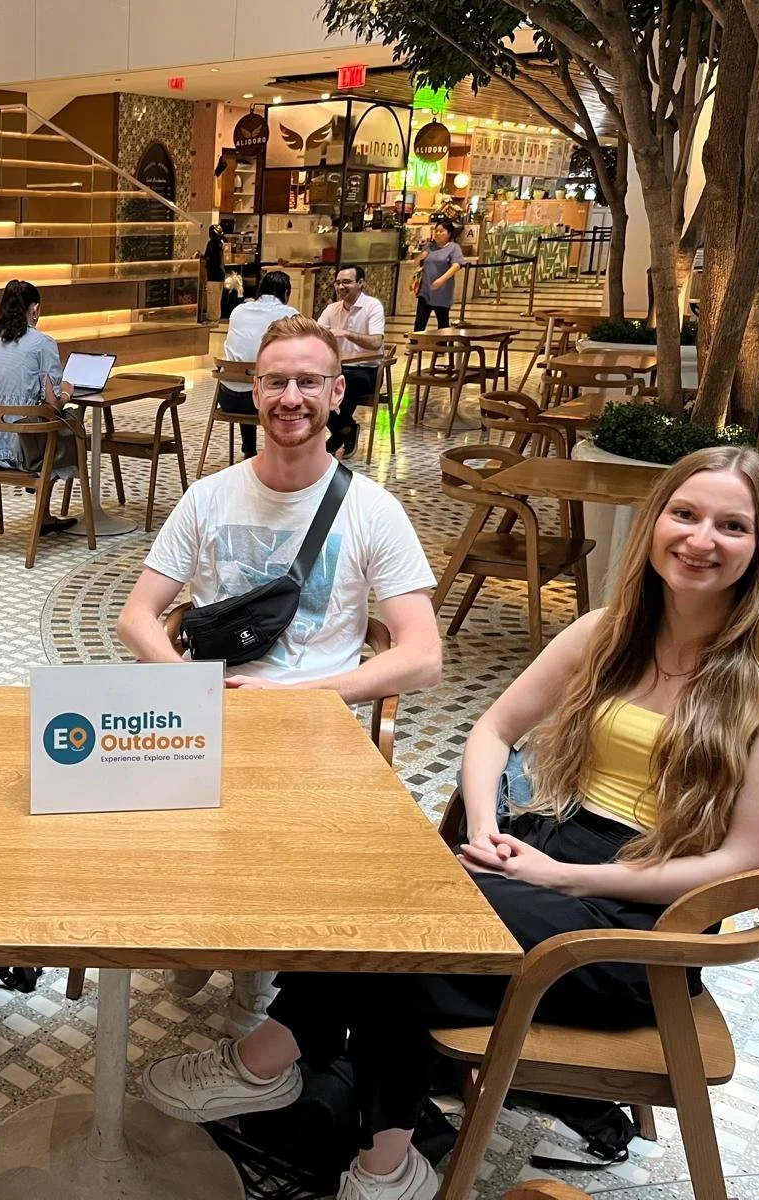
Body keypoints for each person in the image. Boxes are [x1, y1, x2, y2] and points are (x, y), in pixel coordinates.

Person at [138, 444, 759, 1200]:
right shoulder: (607, 633)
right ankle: (381, 1158)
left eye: (731, 526)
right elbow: (492, 731)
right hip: (545, 851)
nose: (700, 539)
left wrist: (560, 874)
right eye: (685, 514)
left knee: (411, 933)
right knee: (388, 898)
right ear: (655, 523)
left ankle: (276, 1056)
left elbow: (746, 861)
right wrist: (485, 828)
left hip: (650, 921)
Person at [117, 314, 442, 1036]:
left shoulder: (372, 510)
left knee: (266, 843)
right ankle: (203, 927)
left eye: (307, 382)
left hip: (312, 727)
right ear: (251, 390)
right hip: (208, 714)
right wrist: (183, 686)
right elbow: (138, 615)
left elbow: (421, 654)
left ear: (336, 394)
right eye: (275, 381)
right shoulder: (209, 497)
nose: (290, 397)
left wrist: (291, 696)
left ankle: (252, 987)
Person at [0, 279, 84, 536]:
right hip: (21, 451)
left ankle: (42, 511)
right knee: (68, 426)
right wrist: (66, 393)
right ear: (35, 310)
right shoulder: (42, 343)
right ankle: (42, 503)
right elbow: (52, 403)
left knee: (45, 427)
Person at [216, 271, 300, 461]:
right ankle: (283, 452)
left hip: (228, 398)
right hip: (261, 403)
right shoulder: (290, 315)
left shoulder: (238, 311)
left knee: (252, 380)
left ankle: (249, 449)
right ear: (286, 293)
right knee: (279, 386)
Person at [318, 265, 387, 458]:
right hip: (340, 368)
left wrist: (347, 334)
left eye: (346, 282)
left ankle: (338, 435)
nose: (341, 287)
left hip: (368, 371)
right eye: (338, 282)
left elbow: (376, 342)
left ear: (361, 284)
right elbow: (316, 333)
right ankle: (346, 428)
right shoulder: (332, 309)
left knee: (343, 383)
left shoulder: (373, 306)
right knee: (317, 385)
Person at [413, 215, 465, 331]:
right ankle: (415, 345)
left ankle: (441, 347)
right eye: (436, 231)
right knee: (420, 321)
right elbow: (416, 264)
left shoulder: (454, 248)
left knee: (442, 321)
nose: (437, 233)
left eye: (441, 231)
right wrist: (421, 256)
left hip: (442, 291)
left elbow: (456, 265)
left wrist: (441, 280)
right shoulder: (429, 246)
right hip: (425, 290)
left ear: (449, 233)